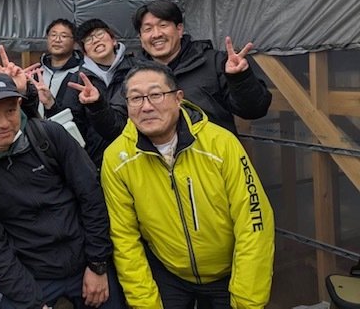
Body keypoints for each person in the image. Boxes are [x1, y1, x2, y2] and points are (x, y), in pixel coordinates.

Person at [101, 63, 274, 309]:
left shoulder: (220, 143)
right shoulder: (117, 158)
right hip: (169, 272)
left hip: (229, 270)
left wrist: (247, 302)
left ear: (178, 98)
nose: (146, 106)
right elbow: (124, 237)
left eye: (156, 94)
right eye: (136, 98)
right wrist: (145, 303)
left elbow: (254, 222)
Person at [0, 73, 119, 309]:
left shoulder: (48, 135)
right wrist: (30, 300)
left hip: (85, 261)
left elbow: (91, 196)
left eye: (11, 111)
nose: (4, 123)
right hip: (30, 276)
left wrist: (98, 264)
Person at [133, 0, 271, 134]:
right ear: (140, 37)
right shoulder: (132, 73)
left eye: (163, 25)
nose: (156, 34)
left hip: (212, 148)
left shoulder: (215, 62)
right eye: (148, 29)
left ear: (179, 29)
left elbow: (254, 110)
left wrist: (240, 77)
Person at [59, 19, 136, 168]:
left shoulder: (137, 69)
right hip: (97, 160)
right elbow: (71, 122)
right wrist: (49, 103)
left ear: (113, 40)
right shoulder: (78, 79)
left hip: (136, 153)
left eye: (99, 34)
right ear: (85, 52)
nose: (95, 40)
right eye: (88, 40)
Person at [34, 19, 82, 116]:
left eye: (63, 36)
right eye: (53, 35)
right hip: (38, 125)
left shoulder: (80, 73)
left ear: (75, 43)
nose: (57, 40)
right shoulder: (38, 71)